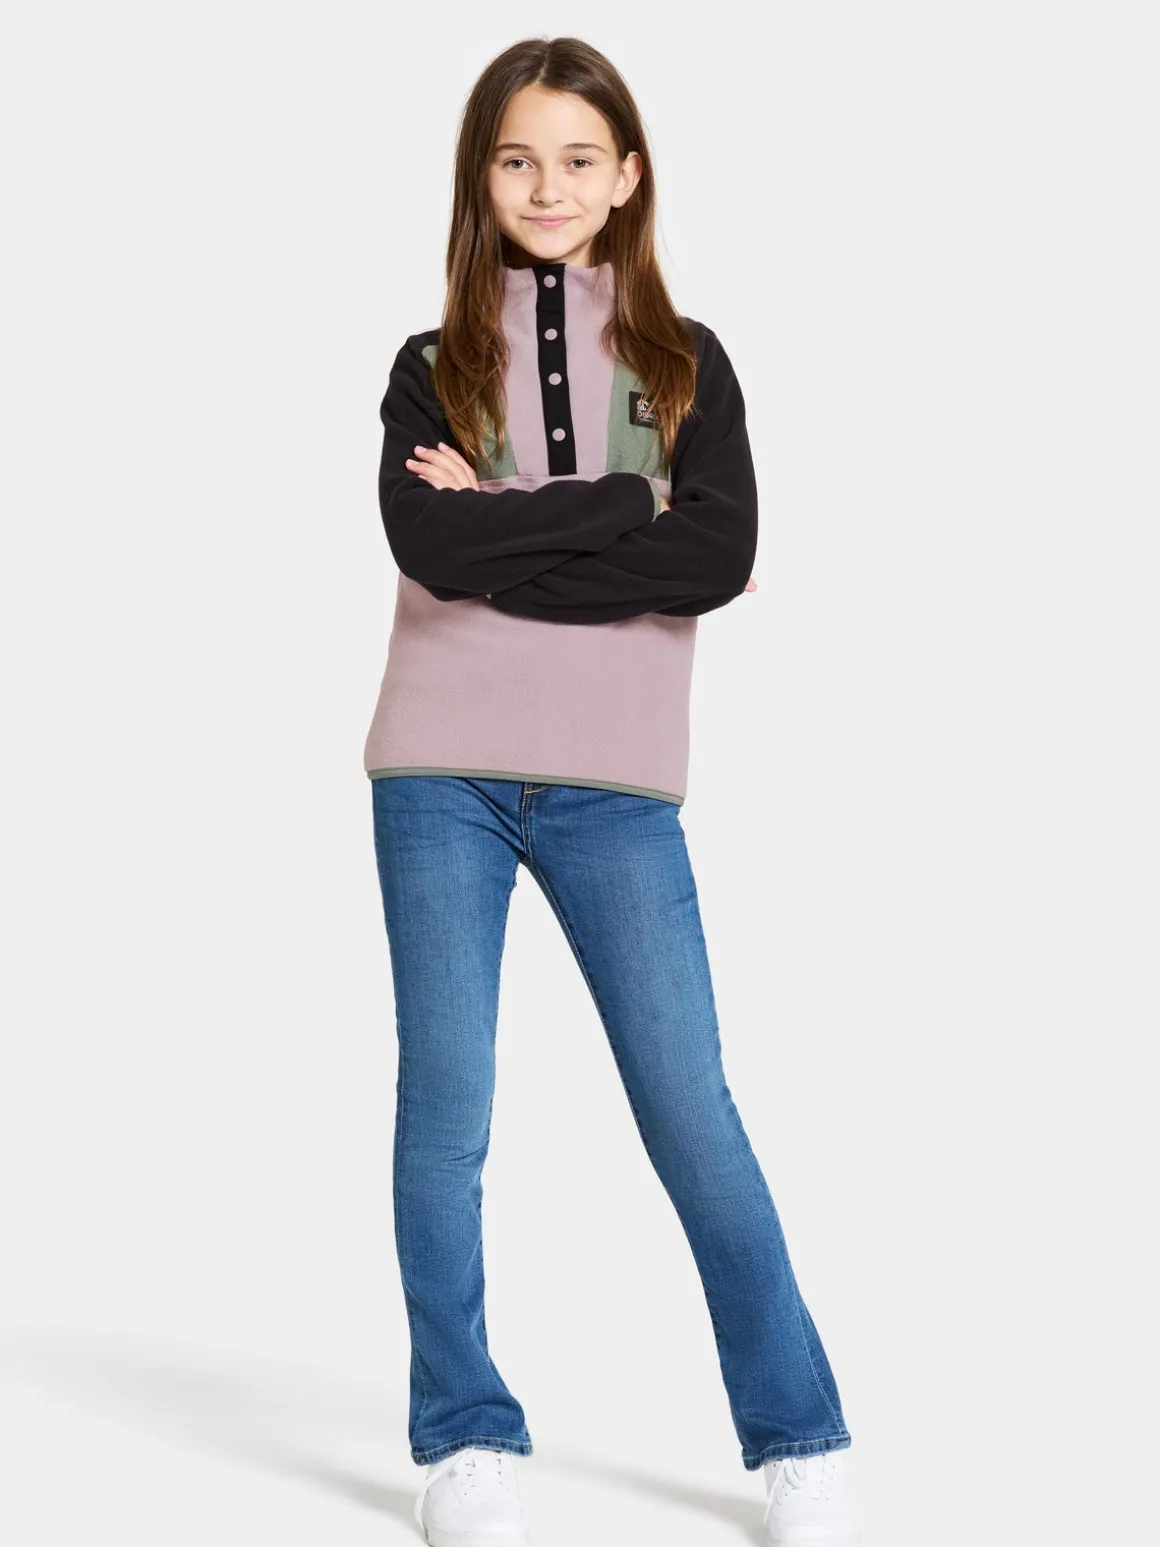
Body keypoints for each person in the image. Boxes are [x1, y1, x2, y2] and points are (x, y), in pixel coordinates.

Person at [364, 35, 863, 1547]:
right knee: (447, 1111)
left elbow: (714, 554)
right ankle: (463, 1435)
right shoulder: (428, 364)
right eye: (518, 158)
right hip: (438, 768)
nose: (549, 185)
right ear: (481, 175)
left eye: (579, 158)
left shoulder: (689, 361)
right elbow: (430, 549)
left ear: (628, 175)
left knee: (689, 1108)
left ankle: (798, 1435)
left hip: (615, 782)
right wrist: (627, 507)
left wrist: (518, 528)